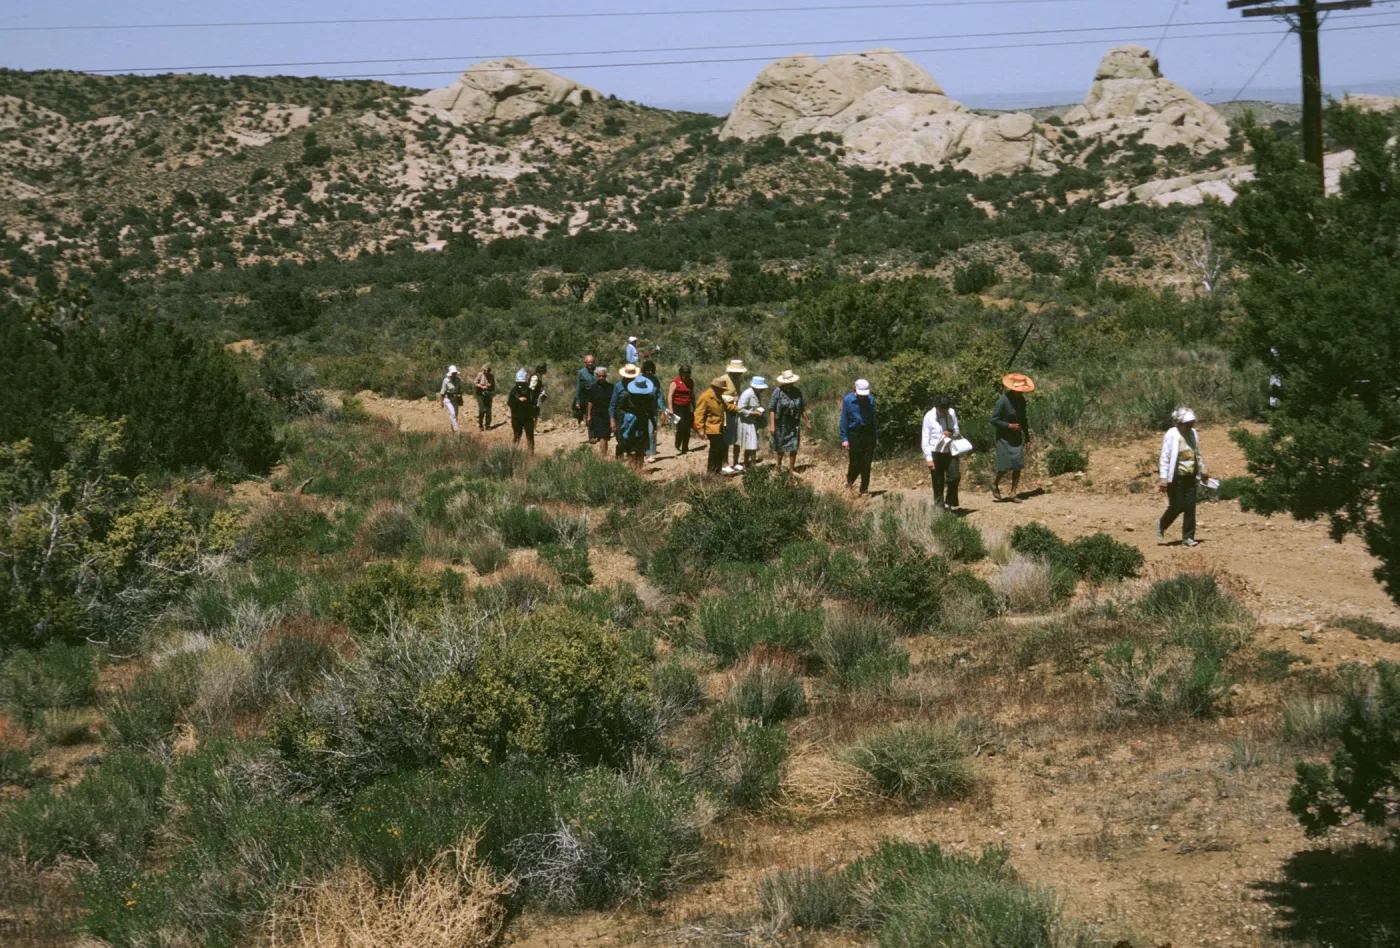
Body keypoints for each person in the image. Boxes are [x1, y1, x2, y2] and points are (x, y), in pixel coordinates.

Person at [1157, 407, 1207, 547]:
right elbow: (1165, 457)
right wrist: (1163, 479)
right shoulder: (1172, 434)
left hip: (1191, 476)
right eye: (1188, 423)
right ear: (1180, 423)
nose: (1191, 426)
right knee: (1177, 505)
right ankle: (1162, 523)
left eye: (1192, 423)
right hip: (1176, 477)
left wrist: (1203, 469)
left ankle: (1188, 537)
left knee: (1190, 507)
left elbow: (1197, 453)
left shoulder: (1193, 434)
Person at [991, 373, 1034, 503]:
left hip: (1017, 437)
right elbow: (994, 420)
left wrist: (1027, 437)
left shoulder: (1022, 401)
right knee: (1004, 466)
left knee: (1018, 464)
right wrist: (1008, 426)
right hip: (1004, 437)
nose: (1020, 393)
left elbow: (1024, 419)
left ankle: (1013, 492)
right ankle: (995, 483)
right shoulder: (1002, 401)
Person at [922, 394, 961, 511]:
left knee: (955, 476)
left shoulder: (951, 413)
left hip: (950, 451)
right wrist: (928, 458)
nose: (944, 413)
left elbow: (957, 430)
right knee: (938, 481)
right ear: (937, 408)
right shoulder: (929, 417)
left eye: (946, 411)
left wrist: (950, 432)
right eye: (941, 411)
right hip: (936, 452)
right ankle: (939, 506)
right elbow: (925, 438)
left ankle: (949, 503)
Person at [840, 379, 878, 494]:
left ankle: (864, 490)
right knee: (855, 463)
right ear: (854, 390)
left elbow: (874, 418)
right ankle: (850, 483)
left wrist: (876, 436)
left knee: (866, 463)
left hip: (868, 433)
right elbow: (844, 420)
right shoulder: (848, 400)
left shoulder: (871, 399)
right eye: (860, 395)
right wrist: (845, 438)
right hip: (854, 433)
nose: (862, 397)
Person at [693, 376, 736, 475]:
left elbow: (726, 406)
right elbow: (699, 414)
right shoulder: (705, 397)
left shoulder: (717, 396)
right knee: (717, 448)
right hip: (710, 428)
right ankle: (712, 472)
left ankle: (716, 471)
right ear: (717, 388)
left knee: (718, 449)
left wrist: (739, 409)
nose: (723, 391)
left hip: (718, 427)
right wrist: (700, 429)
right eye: (722, 389)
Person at [768, 370, 809, 473]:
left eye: (791, 382)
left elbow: (801, 408)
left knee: (794, 446)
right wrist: (772, 424)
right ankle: (779, 466)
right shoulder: (778, 391)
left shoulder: (797, 391)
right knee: (780, 447)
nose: (789, 383)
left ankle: (791, 469)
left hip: (794, 423)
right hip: (781, 423)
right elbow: (772, 409)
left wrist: (807, 421)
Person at [617, 374, 657, 472]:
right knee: (631, 449)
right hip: (631, 425)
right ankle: (631, 471)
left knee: (641, 450)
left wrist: (654, 426)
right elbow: (620, 408)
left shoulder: (648, 397)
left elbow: (650, 412)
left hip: (643, 424)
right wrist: (628, 415)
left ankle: (639, 471)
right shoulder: (628, 396)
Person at [738, 376, 769, 470]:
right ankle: (752, 465)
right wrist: (754, 413)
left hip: (753, 422)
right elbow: (740, 409)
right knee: (752, 445)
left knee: (750, 444)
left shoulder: (756, 393)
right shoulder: (747, 394)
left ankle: (746, 465)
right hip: (747, 422)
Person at [610, 363, 640, 455]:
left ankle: (631, 463)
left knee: (633, 441)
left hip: (634, 415)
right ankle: (619, 456)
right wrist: (612, 420)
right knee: (621, 440)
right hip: (620, 415)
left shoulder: (638, 385)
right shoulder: (618, 386)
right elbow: (612, 404)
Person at [722, 358, 747, 471]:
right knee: (726, 438)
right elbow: (718, 396)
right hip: (726, 412)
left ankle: (736, 462)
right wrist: (732, 398)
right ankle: (725, 463)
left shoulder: (737, 380)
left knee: (737, 438)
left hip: (736, 411)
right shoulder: (723, 379)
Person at [507, 368, 539, 453]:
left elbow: (534, 403)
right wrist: (518, 400)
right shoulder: (513, 391)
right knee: (517, 437)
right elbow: (510, 403)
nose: (520, 385)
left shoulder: (530, 392)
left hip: (528, 418)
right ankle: (513, 453)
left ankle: (531, 454)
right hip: (516, 418)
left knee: (530, 437)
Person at [641, 360, 666, 463]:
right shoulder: (639, 380)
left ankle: (651, 453)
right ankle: (642, 453)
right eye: (648, 370)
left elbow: (659, 395)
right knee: (643, 431)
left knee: (652, 431)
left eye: (651, 370)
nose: (650, 372)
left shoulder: (655, 380)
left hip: (652, 408)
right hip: (641, 409)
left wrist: (662, 410)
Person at [668, 364, 696, 455]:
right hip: (677, 407)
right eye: (685, 374)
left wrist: (695, 407)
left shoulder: (690, 382)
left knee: (687, 427)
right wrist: (670, 408)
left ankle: (685, 447)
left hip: (687, 407)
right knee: (681, 426)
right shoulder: (675, 382)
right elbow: (670, 396)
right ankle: (677, 446)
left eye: (688, 374)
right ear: (681, 374)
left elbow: (692, 395)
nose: (687, 376)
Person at [585, 366, 613, 455]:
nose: (601, 378)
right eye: (599, 376)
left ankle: (604, 454)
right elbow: (590, 402)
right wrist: (589, 415)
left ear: (606, 376)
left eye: (603, 376)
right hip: (597, 414)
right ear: (597, 376)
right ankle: (603, 455)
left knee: (606, 436)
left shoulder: (611, 387)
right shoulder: (593, 388)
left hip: (607, 414)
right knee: (602, 435)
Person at [439, 365, 464, 434]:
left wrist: (461, 400)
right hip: (448, 400)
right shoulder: (446, 381)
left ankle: (452, 429)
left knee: (455, 415)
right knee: (452, 414)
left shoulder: (458, 380)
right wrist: (441, 402)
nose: (455, 374)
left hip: (455, 399)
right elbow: (442, 392)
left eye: (455, 373)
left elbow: (460, 391)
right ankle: (456, 430)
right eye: (453, 373)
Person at [573, 355, 597, 427]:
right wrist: (577, 401)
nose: (590, 364)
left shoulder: (598, 371)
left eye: (591, 362)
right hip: (586, 397)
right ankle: (591, 436)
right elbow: (578, 387)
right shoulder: (581, 372)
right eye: (588, 362)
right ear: (585, 363)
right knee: (588, 415)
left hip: (597, 396)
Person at [473, 363, 496, 430]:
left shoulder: (491, 376)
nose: (487, 372)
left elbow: (493, 385)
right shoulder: (480, 374)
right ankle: (480, 424)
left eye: (488, 370)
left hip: (488, 393)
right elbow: (475, 382)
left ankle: (487, 425)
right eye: (485, 370)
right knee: (482, 410)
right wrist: (481, 386)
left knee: (488, 410)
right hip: (480, 393)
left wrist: (492, 393)